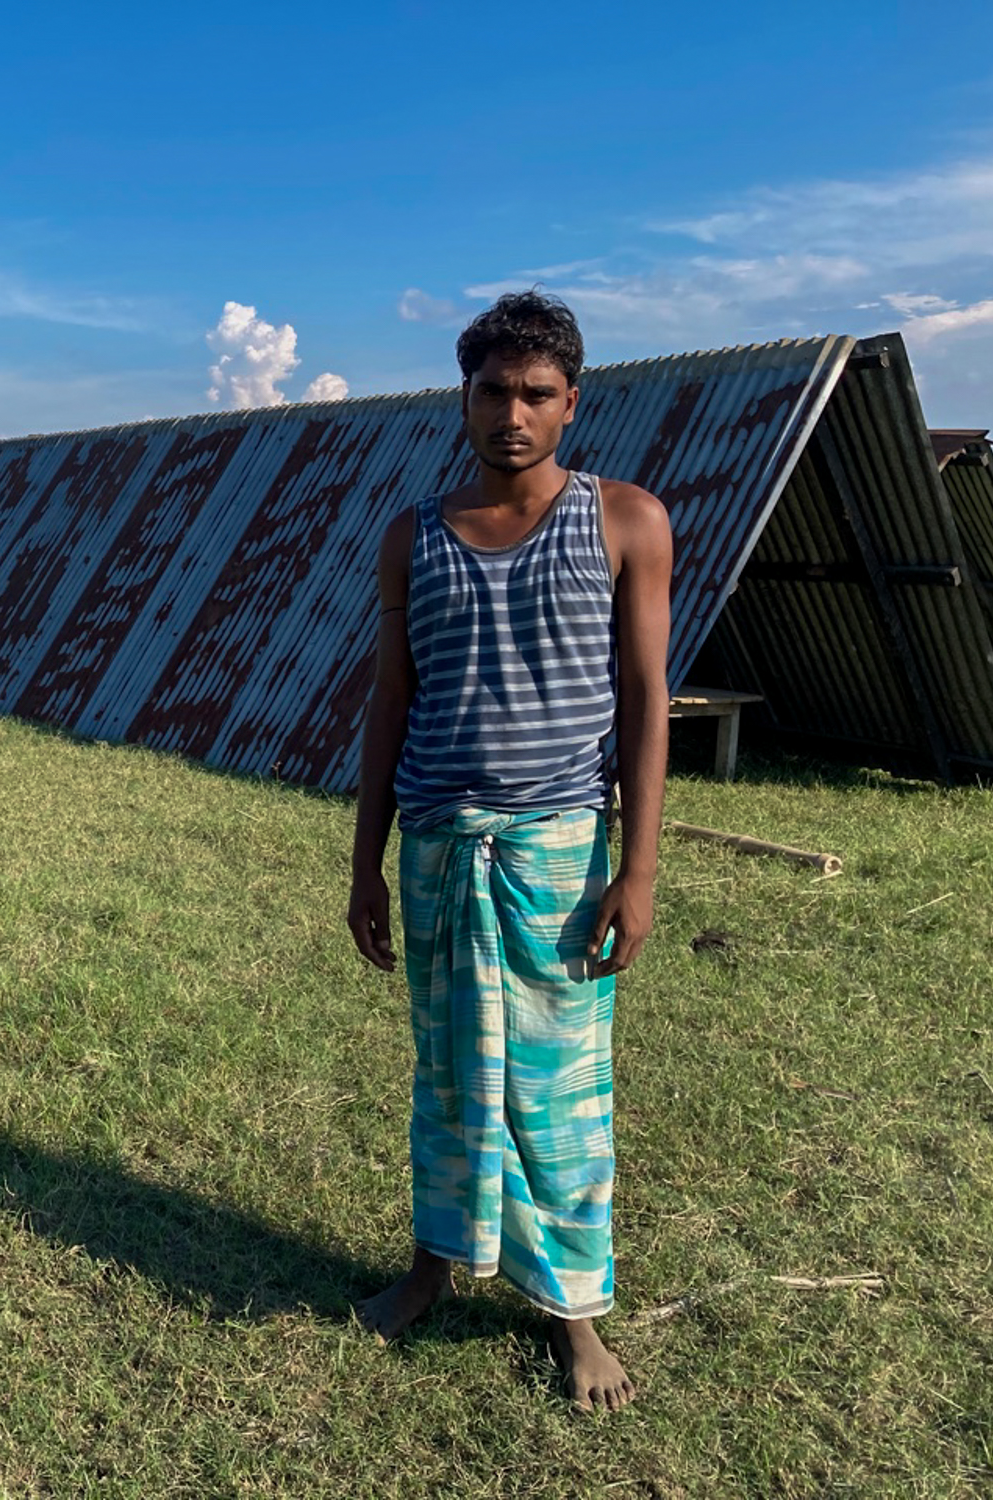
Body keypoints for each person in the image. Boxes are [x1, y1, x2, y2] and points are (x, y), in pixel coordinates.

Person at [345, 290, 672, 1414]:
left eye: (537, 394)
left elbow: (644, 700)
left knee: (558, 1089)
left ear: (572, 404)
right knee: (445, 1073)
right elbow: (391, 702)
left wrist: (636, 870)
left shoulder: (624, 522)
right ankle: (432, 1266)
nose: (513, 415)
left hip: (556, 856)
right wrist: (365, 862)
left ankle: (572, 1313)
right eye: (493, 391)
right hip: (439, 847)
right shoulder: (413, 537)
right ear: (465, 399)